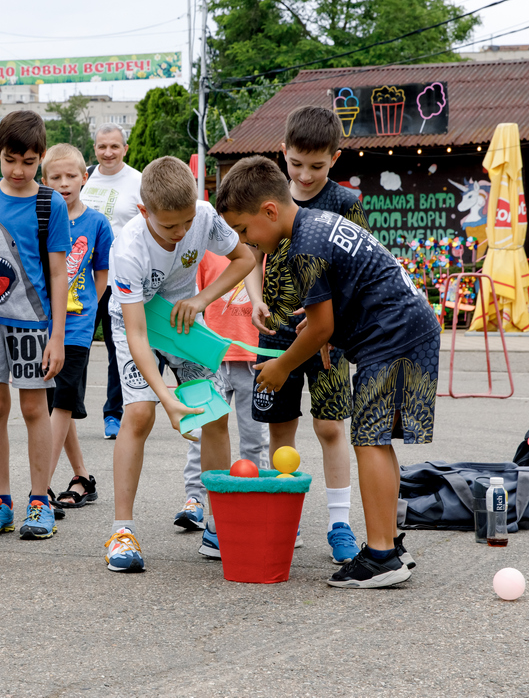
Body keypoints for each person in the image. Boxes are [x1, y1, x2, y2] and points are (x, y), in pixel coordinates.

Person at [216, 155, 440, 589]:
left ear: (268, 211)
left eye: (244, 231)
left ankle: (380, 557)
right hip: (409, 326)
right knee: (376, 441)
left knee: (369, 440)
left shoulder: (304, 245)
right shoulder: (315, 221)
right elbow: (331, 311)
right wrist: (320, 331)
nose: (247, 241)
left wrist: (282, 366)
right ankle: (389, 543)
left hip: (394, 334)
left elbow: (323, 325)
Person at [103, 156, 255, 573]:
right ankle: (122, 531)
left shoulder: (203, 216)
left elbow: (245, 259)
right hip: (135, 321)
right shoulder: (128, 249)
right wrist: (165, 397)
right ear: (143, 211)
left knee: (215, 415)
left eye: (186, 221)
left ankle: (217, 523)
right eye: (170, 225)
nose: (181, 232)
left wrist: (202, 300)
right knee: (137, 415)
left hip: (184, 318)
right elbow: (136, 334)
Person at [250, 106, 370, 564]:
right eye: (296, 164)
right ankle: (287, 515)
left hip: (328, 337)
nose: (303, 175)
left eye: (316, 167)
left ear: (335, 159)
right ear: (283, 153)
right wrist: (257, 297)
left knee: (329, 427)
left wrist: (329, 320)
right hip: (276, 333)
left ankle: (340, 524)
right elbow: (249, 253)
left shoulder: (344, 203)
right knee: (281, 428)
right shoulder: (271, 197)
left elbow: (357, 269)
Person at [0, 110, 70, 540]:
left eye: (28, 162)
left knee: (32, 409)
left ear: (41, 157)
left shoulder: (51, 203)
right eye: (10, 160)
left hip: (33, 325)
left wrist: (57, 337)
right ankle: (0, 501)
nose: (18, 170)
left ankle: (40, 500)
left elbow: (60, 273)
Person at [173, 250, 269, 536]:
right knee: (203, 432)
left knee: (254, 437)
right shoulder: (207, 255)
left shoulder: (263, 253)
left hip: (254, 359)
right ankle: (196, 498)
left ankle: (251, 497)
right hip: (211, 358)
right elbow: (193, 299)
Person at [40, 143, 113, 510]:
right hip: (42, 326)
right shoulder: (40, 218)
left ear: (85, 178)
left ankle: (41, 491)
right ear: (45, 180)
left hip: (77, 328)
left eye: (71, 176)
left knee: (64, 401)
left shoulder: (97, 223)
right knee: (56, 404)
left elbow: (102, 273)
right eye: (56, 177)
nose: (64, 183)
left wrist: (88, 310)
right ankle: (82, 476)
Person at [78, 123, 143, 440]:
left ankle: (114, 413)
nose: (108, 152)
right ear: (95, 148)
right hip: (84, 278)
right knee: (78, 343)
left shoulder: (138, 181)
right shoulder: (83, 179)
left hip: (123, 278)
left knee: (121, 348)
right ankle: (66, 406)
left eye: (114, 146)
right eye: (102, 146)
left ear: (125, 149)